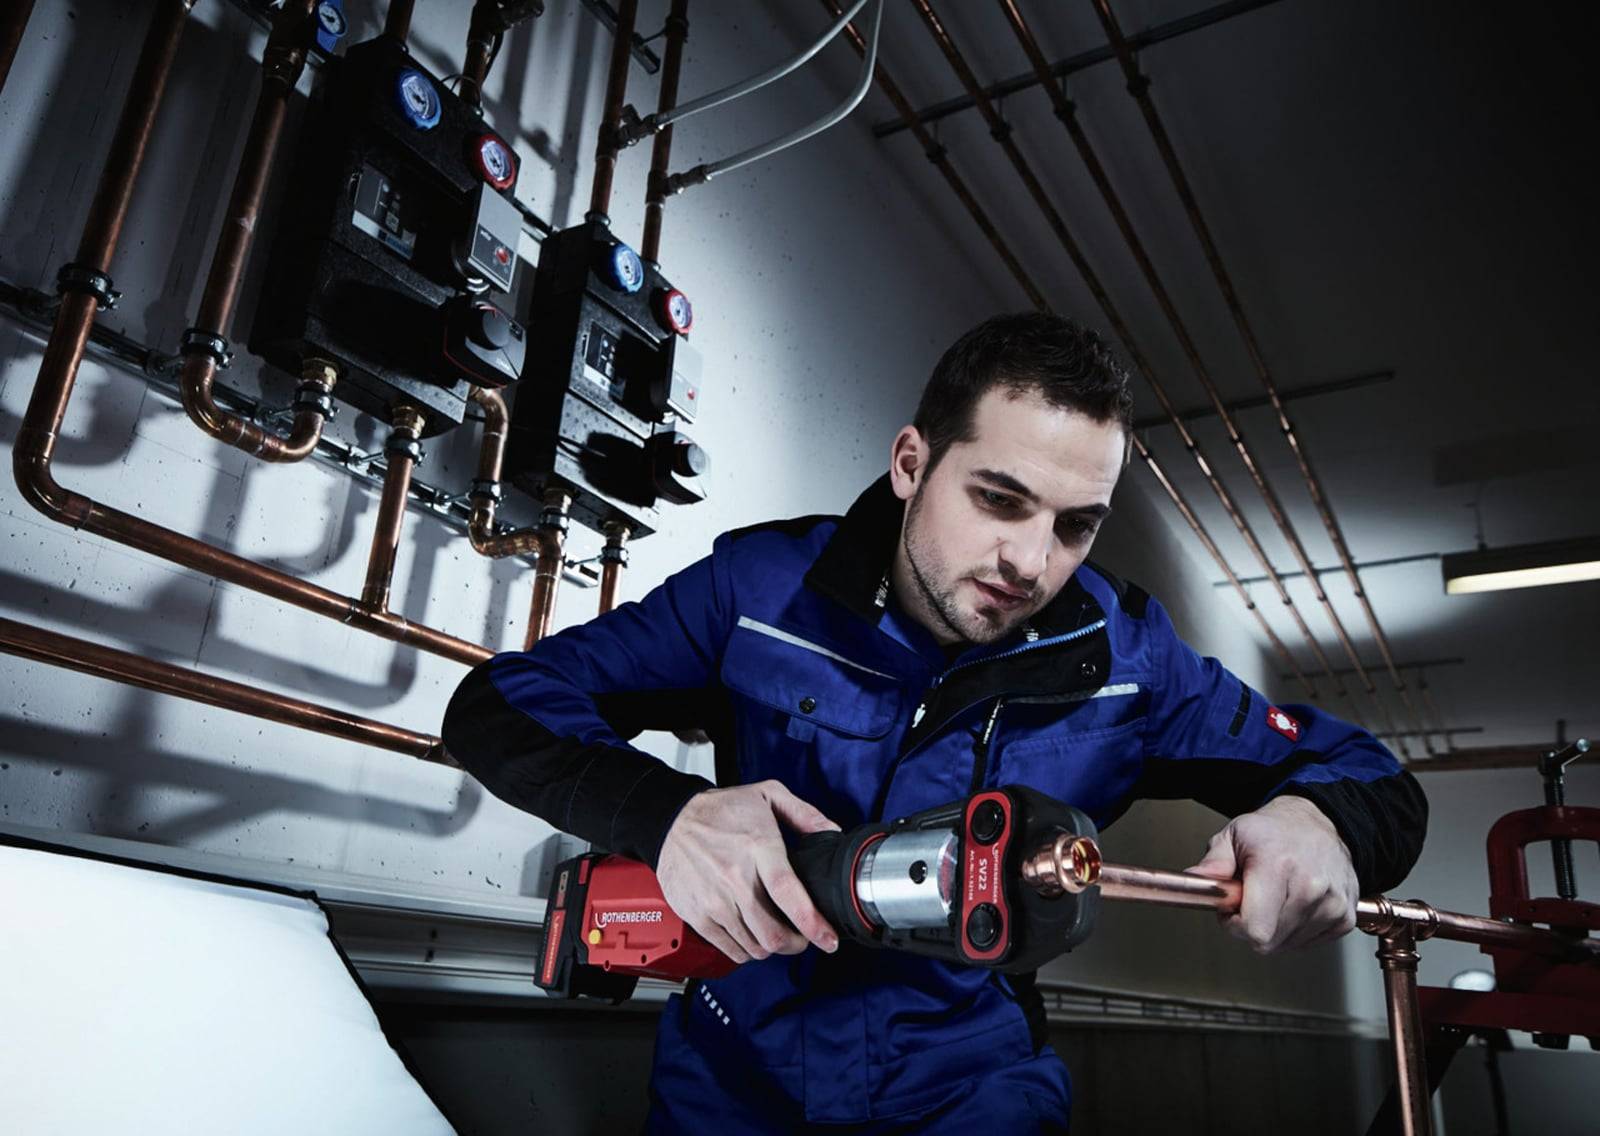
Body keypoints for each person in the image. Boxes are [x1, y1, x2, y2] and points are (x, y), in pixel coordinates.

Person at [442, 312, 1427, 1133]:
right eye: (999, 498)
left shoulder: (1130, 663)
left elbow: (1375, 777)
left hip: (971, 1093)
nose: (1031, 562)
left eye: (1074, 524)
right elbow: (497, 706)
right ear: (912, 461)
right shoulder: (756, 595)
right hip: (727, 1078)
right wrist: (668, 816)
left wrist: (1322, 821)